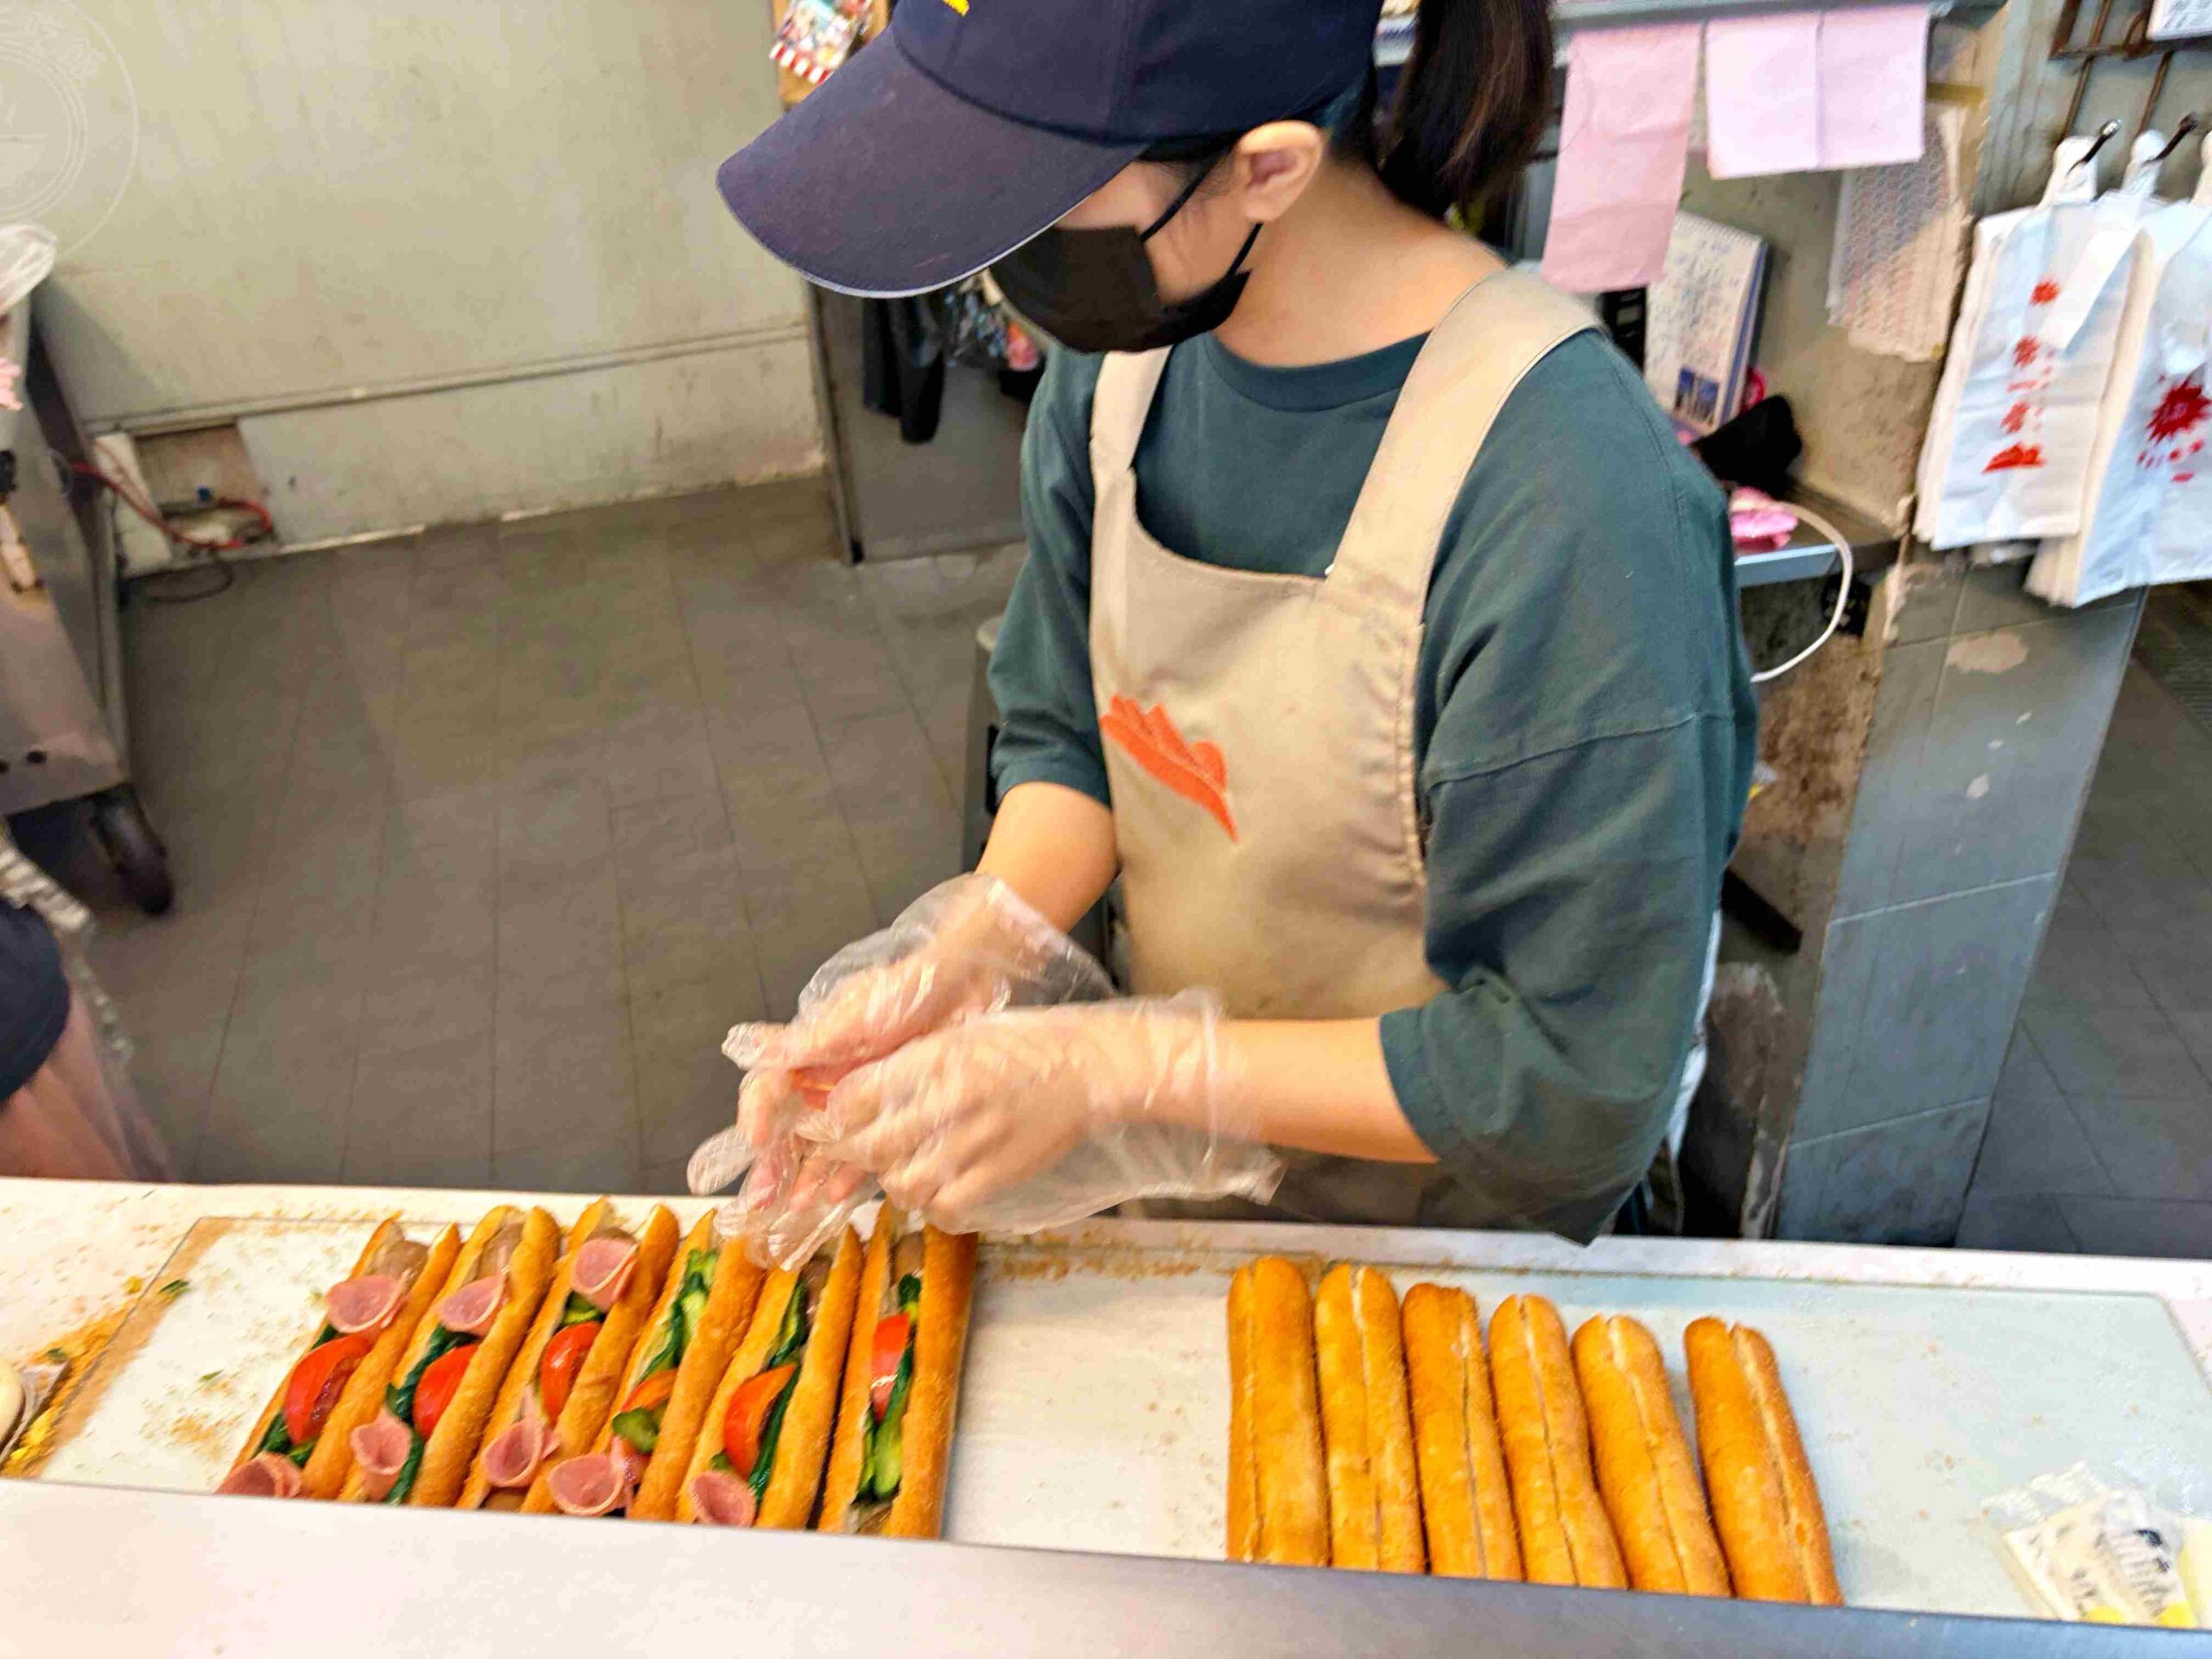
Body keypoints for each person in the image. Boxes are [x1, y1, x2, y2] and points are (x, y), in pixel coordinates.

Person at [710, 0, 1755, 1244]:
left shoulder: (1570, 499)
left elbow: (1577, 1085)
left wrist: (1127, 1074)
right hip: (1183, 1215)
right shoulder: (1123, 373)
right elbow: (1074, 736)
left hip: (1456, 1266)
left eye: (1039, 198)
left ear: (1267, 168)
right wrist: (978, 942)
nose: (1005, 255)